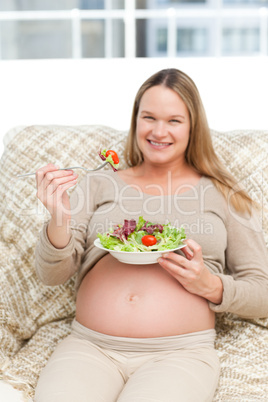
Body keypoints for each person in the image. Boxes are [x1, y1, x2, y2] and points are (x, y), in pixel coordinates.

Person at [34, 68, 268, 402]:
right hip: (90, 347)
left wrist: (210, 286)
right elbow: (51, 274)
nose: (159, 131)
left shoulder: (225, 194)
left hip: (180, 354)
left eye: (174, 120)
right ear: (135, 121)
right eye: (149, 117)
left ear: (193, 127)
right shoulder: (100, 183)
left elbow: (263, 291)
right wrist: (59, 216)